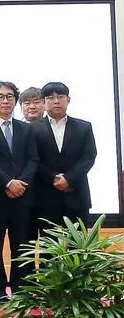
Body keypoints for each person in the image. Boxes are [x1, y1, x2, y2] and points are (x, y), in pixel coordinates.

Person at [0, 81, 39, 309]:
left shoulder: (27, 128)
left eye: (10, 96)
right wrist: (7, 182)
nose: (5, 101)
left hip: (23, 196)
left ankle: (22, 291)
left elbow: (33, 159)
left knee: (22, 245)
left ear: (15, 100)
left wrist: (21, 183)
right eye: (0, 97)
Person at [33, 81, 97, 230]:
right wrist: (53, 178)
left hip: (76, 195)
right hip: (45, 196)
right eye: (50, 97)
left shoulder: (84, 127)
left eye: (60, 97)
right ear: (44, 102)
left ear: (68, 99)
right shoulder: (32, 129)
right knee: (49, 249)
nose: (56, 101)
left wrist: (69, 179)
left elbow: (89, 156)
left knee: (77, 248)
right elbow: (32, 159)